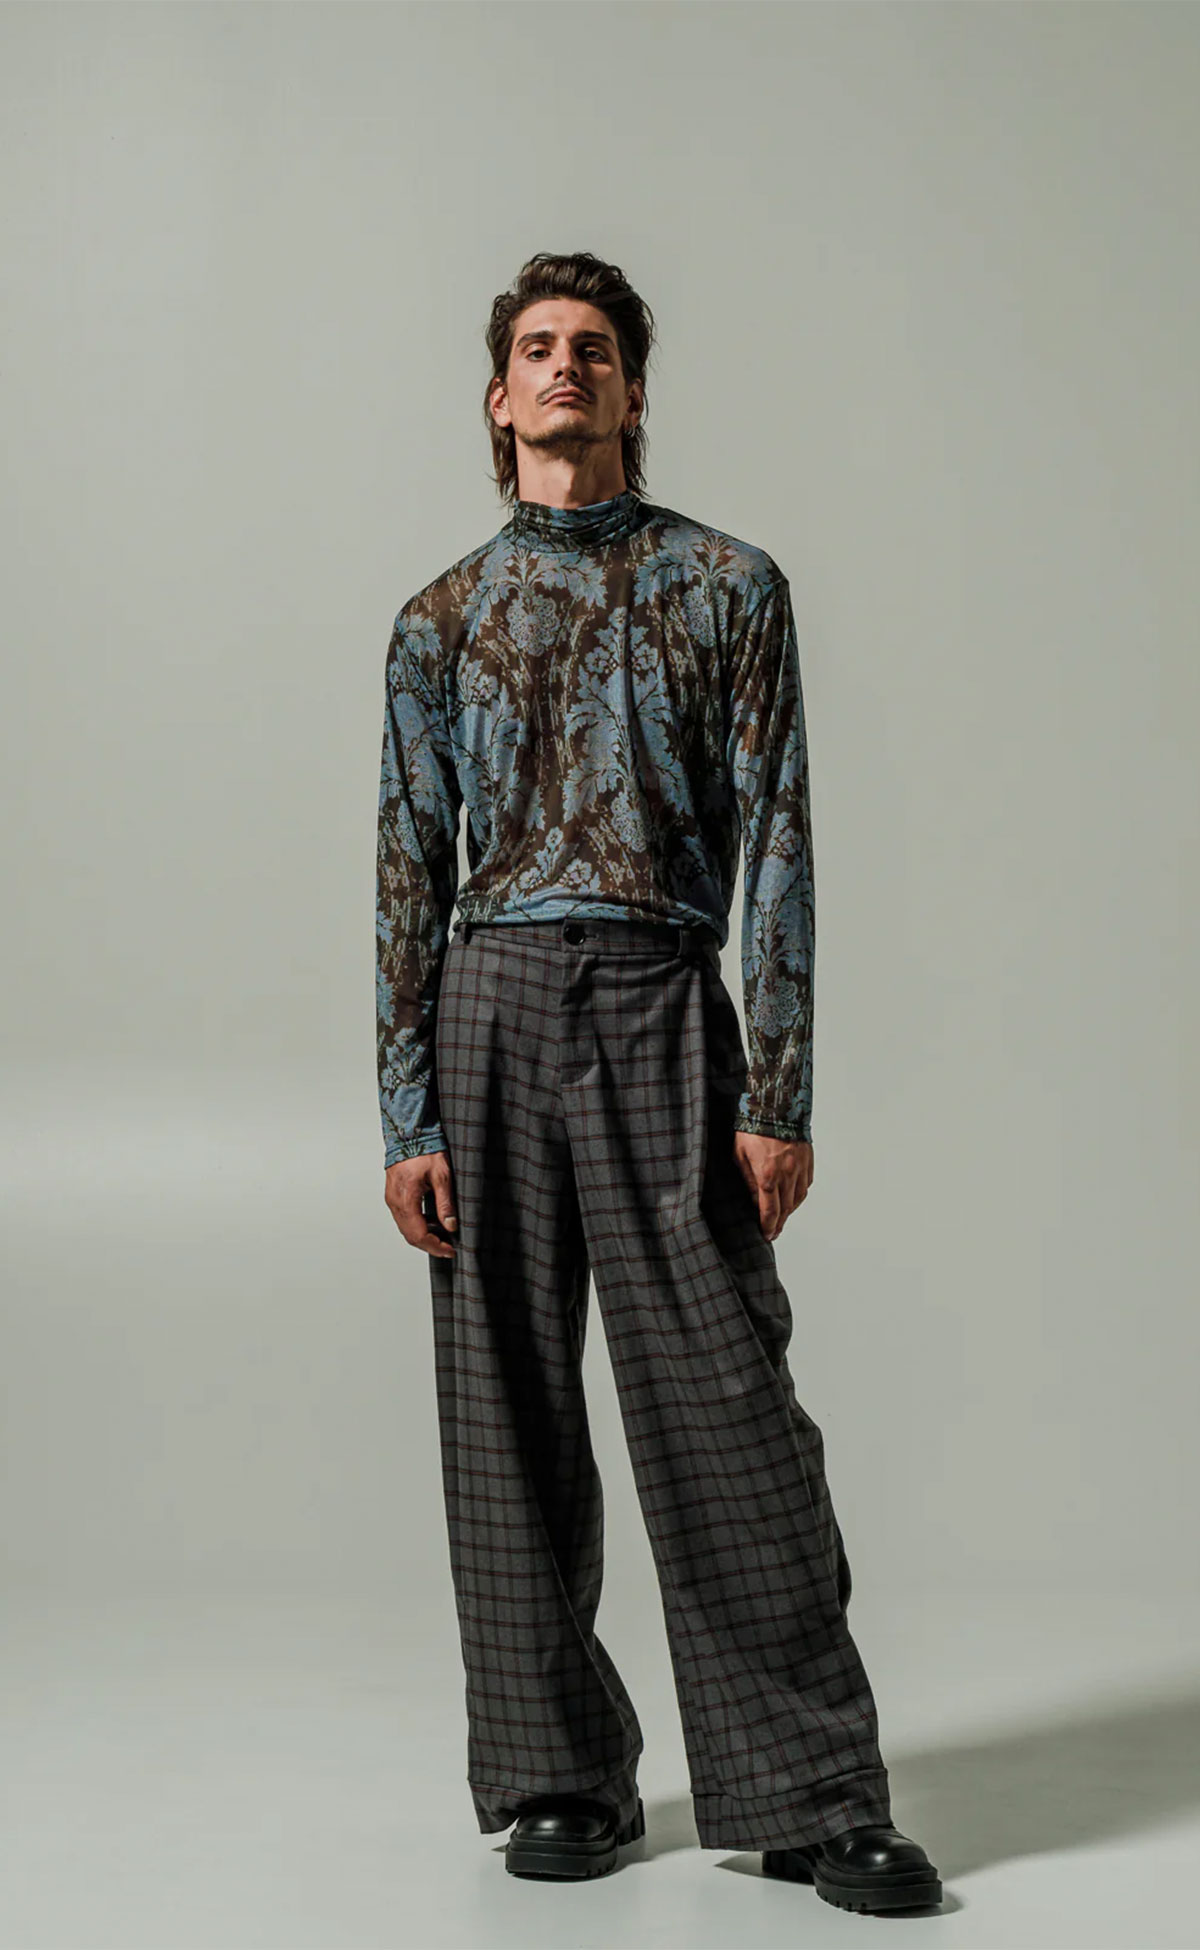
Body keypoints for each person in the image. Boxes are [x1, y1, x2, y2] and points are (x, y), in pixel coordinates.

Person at [375, 250, 942, 1916]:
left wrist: (781, 1086)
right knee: (505, 1407)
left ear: (633, 389)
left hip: (656, 994)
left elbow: (782, 843)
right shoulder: (437, 620)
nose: (569, 367)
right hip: (487, 996)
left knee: (726, 1399)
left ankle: (812, 1790)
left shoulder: (727, 586)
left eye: (598, 350)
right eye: (540, 348)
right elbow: (407, 867)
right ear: (499, 398)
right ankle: (559, 1772)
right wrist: (406, 1112)